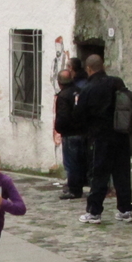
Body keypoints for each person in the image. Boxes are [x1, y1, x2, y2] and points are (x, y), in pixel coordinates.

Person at [73, 55, 132, 224]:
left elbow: (79, 115)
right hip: (121, 134)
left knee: (99, 174)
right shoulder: (117, 82)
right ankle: (125, 209)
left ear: (89, 69)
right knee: (122, 173)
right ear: (103, 66)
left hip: (100, 136)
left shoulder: (88, 88)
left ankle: (94, 212)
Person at [54, 70, 85, 200]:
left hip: (70, 133)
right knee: (80, 161)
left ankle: (74, 189)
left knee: (71, 163)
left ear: (60, 83)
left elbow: (63, 116)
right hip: (82, 132)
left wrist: (59, 129)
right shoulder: (80, 91)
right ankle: (79, 186)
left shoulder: (63, 96)